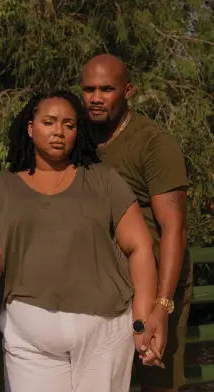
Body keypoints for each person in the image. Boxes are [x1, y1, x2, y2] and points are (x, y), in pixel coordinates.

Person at [0, 90, 162, 392]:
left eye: (69, 125)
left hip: (105, 335)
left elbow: (140, 246)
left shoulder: (102, 179)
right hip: (29, 338)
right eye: (49, 122)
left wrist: (142, 321)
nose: (59, 132)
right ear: (30, 127)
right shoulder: (3, 185)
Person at [81, 54, 193, 392]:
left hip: (155, 284)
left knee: (155, 381)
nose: (96, 98)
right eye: (88, 89)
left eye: (106, 89)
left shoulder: (154, 144)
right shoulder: (78, 137)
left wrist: (162, 305)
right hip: (102, 288)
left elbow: (174, 228)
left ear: (128, 90)